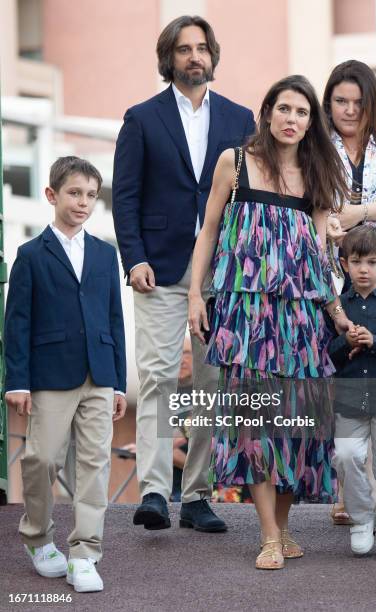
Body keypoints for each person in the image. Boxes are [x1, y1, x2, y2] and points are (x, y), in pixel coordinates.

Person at [188, 75, 351, 570]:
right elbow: (210, 230)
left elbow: (321, 258)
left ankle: (282, 526)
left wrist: (338, 315)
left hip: (301, 321)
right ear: (267, 112)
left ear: (310, 123)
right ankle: (268, 536)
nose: (292, 119)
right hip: (244, 316)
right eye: (284, 109)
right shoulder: (234, 163)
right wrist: (196, 295)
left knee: (296, 428)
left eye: (302, 113)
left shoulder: (318, 174)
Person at [112, 15, 255, 532]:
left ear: (213, 55)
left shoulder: (241, 120)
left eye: (202, 48)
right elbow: (124, 197)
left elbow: (252, 200)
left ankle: (195, 496)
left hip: (221, 276)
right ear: (168, 58)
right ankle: (153, 491)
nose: (195, 57)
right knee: (155, 380)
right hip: (160, 269)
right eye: (184, 49)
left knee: (211, 387)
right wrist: (135, 259)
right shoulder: (141, 119)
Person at [4, 157, 127, 593]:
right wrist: (16, 381)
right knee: (42, 458)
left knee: (95, 463)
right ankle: (37, 537)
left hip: (100, 372)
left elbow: (114, 319)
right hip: (50, 373)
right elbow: (16, 322)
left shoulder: (104, 253)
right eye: (75, 193)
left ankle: (85, 553)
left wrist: (118, 382)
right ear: (52, 195)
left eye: (92, 195)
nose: (84, 202)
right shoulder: (30, 255)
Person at [322, 59, 376, 523]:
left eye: (358, 101)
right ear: (328, 101)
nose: (350, 110)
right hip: (337, 280)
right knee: (348, 372)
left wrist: (359, 213)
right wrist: (331, 221)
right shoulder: (317, 146)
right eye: (340, 101)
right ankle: (352, 495)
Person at [328, 225, 376, 559]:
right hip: (349, 397)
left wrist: (374, 342)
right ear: (345, 264)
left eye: (372, 262)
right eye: (357, 261)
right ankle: (362, 521)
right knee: (345, 456)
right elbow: (328, 352)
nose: (364, 269)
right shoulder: (337, 307)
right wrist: (344, 342)